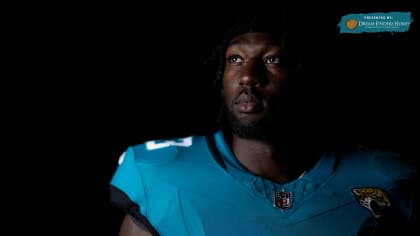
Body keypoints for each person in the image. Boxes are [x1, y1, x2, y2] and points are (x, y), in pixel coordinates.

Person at [109, 7, 417, 236]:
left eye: (271, 59)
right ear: (221, 79)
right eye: (235, 59)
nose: (248, 76)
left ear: (303, 76)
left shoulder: (384, 177)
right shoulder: (159, 172)